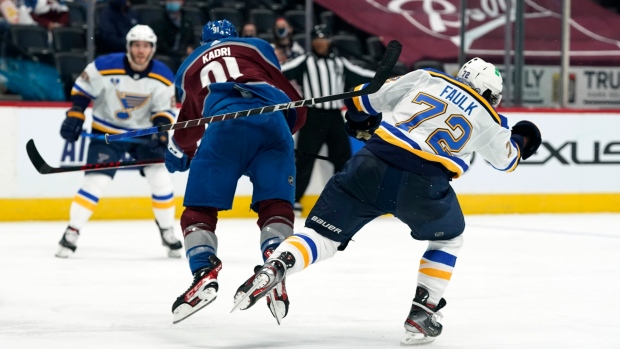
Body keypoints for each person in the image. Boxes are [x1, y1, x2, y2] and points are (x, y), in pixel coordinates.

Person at [233, 58, 542, 345]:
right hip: (423, 184)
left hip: (372, 162)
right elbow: (508, 160)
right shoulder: (490, 118)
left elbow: (359, 98)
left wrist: (358, 119)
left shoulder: (427, 78)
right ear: (490, 93)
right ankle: (422, 312)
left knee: (321, 236)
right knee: (449, 239)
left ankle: (277, 265)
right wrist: (521, 137)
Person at [165, 19, 307, 324]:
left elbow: (190, 122)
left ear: (202, 43)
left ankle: (204, 270)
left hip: (223, 129)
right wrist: (284, 130)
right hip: (272, 124)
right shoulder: (258, 47)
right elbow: (295, 103)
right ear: (236, 37)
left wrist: (179, 152)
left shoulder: (189, 67)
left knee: (198, 211)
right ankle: (274, 261)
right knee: (275, 205)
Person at [56, 24, 183, 259]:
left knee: (162, 181)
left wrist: (162, 134)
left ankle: (167, 231)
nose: (140, 50)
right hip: (107, 133)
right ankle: (71, 232)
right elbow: (83, 90)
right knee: (95, 183)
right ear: (128, 47)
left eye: (146, 46)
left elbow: (164, 110)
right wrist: (75, 114)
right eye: (136, 45)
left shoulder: (163, 74)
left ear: (153, 48)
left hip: (143, 135)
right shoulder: (104, 66)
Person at [280, 24, 375, 216]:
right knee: (305, 159)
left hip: (334, 118)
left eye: (324, 39)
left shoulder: (339, 62)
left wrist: (388, 78)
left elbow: (361, 75)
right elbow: (280, 73)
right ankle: (293, 199)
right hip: (313, 117)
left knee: (344, 159)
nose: (320, 42)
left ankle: (344, 198)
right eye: (317, 39)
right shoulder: (305, 61)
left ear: (329, 40)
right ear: (312, 41)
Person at [151, 0, 196, 71]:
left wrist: (190, 48)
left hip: (182, 58)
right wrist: (179, 53)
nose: (172, 1)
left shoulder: (187, 23)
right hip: (165, 58)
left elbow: (192, 41)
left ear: (182, 2)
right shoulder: (158, 21)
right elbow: (160, 45)